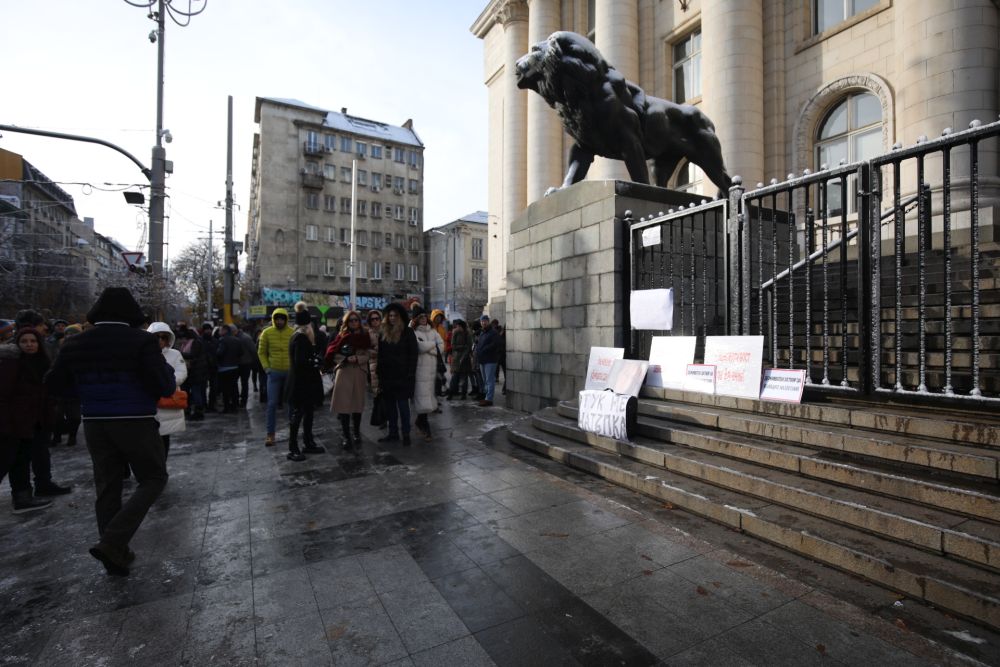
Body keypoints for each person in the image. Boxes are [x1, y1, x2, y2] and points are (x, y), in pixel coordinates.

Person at [45, 287, 176, 576]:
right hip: (135, 420)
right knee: (154, 477)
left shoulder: (75, 342)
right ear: (132, 314)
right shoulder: (142, 341)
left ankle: (115, 555)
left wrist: (86, 394)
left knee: (107, 487)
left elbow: (53, 383)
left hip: (94, 423)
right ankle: (113, 541)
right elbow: (165, 385)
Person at [0, 328, 60, 513]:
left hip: (32, 422)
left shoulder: (42, 362)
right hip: (13, 422)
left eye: (33, 341)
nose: (29, 344)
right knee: (5, 460)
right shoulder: (11, 364)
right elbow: (3, 395)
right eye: (24, 341)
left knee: (21, 460)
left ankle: (23, 497)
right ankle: (22, 497)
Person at [325, 310, 370, 451]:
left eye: (356, 320)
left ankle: (356, 432)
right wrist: (345, 358)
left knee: (357, 405)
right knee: (343, 406)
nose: (354, 323)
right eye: (351, 320)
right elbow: (332, 352)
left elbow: (370, 353)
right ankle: (346, 436)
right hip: (344, 371)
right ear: (346, 322)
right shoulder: (340, 336)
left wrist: (358, 358)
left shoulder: (365, 336)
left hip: (359, 371)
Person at [285, 309, 325, 461]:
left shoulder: (296, 336)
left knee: (308, 412)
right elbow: (301, 362)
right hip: (301, 383)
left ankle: (308, 442)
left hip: (303, 383)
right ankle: (293, 447)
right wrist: (315, 362)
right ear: (308, 326)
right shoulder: (301, 338)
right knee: (299, 414)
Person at [376, 302, 417, 446]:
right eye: (390, 315)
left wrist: (410, 373)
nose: (392, 318)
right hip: (387, 377)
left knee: (403, 407)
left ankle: (406, 433)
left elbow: (413, 355)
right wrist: (379, 374)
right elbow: (380, 355)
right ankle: (393, 433)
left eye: (395, 315)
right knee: (390, 408)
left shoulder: (407, 332)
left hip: (403, 377)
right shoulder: (383, 332)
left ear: (400, 317)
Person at [147, 322, 187, 457]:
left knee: (164, 436)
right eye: (156, 337)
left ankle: (162, 464)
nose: (160, 340)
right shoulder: (143, 354)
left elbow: (181, 372)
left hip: (167, 398)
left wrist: (167, 383)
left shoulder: (175, 354)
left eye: (163, 337)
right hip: (148, 400)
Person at [257, 308, 293, 446]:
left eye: (282, 318)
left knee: (291, 403)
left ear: (285, 319)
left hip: (289, 373)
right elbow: (261, 352)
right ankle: (270, 434)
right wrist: (267, 368)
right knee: (271, 404)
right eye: (277, 319)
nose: (279, 321)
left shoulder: (292, 332)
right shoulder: (266, 333)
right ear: (273, 319)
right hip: (274, 373)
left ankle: (292, 431)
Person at [411, 308, 444, 441]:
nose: (423, 318)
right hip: (419, 371)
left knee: (428, 398)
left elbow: (441, 346)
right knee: (423, 400)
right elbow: (418, 347)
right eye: (420, 317)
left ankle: (420, 422)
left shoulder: (433, 331)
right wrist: (433, 345)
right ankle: (426, 428)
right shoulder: (413, 332)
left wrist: (430, 348)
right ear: (416, 319)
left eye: (425, 316)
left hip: (432, 370)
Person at [176, 325, 207, 421]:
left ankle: (199, 412)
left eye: (183, 339)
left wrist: (180, 354)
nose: (181, 341)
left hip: (196, 373)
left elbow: (193, 356)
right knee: (189, 392)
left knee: (196, 392)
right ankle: (188, 410)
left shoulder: (195, 343)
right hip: (189, 373)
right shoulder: (185, 345)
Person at [475, 314, 501, 407]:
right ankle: (486, 396)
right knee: (485, 380)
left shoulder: (493, 332)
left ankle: (489, 399)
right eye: (482, 321)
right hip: (482, 359)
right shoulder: (482, 332)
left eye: (485, 321)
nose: (483, 322)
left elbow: (496, 344)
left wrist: (484, 349)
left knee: (490, 380)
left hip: (490, 359)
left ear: (488, 321)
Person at [215, 324, 242, 413]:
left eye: (221, 330)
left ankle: (226, 407)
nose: (219, 332)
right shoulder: (237, 340)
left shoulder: (223, 340)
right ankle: (235, 406)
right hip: (235, 367)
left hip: (224, 368)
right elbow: (241, 352)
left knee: (225, 389)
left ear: (225, 330)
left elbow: (219, 353)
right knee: (234, 387)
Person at [446, 319, 472, 400]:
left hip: (465, 358)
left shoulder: (467, 333)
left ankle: (463, 394)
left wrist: (462, 350)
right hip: (456, 358)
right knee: (454, 377)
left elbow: (469, 346)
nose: (458, 327)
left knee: (464, 378)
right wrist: (462, 346)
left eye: (460, 326)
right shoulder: (455, 333)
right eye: (457, 326)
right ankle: (451, 393)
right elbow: (453, 345)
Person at [236, 324, 257, 408]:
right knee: (243, 382)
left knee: (243, 382)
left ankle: (243, 400)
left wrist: (253, 361)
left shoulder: (245, 338)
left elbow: (253, 350)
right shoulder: (244, 337)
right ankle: (241, 399)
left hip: (244, 363)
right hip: (243, 363)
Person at [200, 323, 220, 412]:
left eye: (209, 330)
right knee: (202, 387)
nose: (208, 331)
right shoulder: (200, 341)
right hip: (203, 368)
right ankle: (204, 405)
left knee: (214, 387)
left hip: (213, 367)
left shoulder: (215, 341)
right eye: (206, 330)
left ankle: (211, 405)